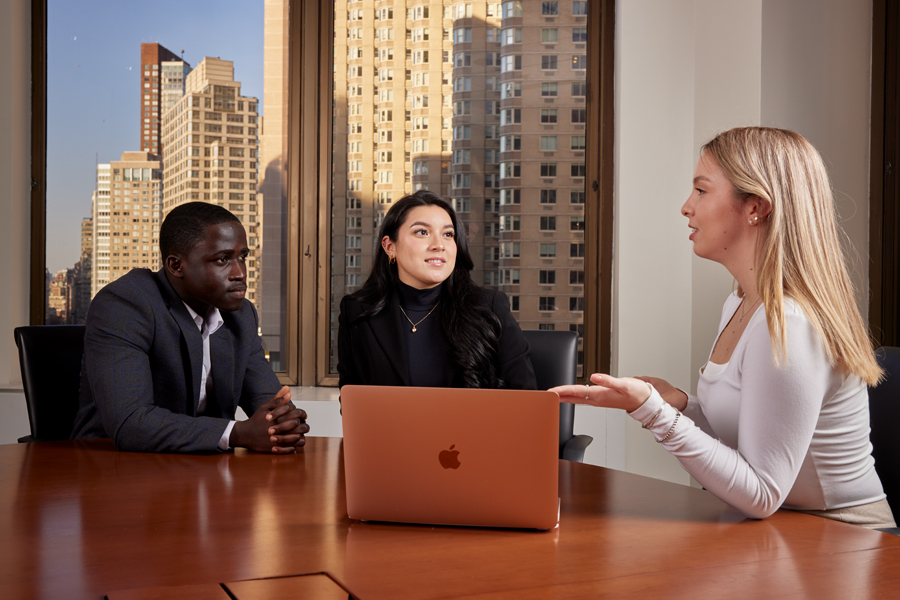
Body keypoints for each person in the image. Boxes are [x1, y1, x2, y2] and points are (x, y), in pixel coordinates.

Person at [553, 127, 895, 528]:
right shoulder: (740, 301)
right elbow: (747, 438)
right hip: (782, 528)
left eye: (701, 191)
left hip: (844, 541)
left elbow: (762, 493)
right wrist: (678, 404)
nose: (686, 207)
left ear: (756, 207)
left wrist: (651, 411)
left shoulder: (788, 325)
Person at [72, 202, 309, 454]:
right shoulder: (125, 305)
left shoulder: (241, 315)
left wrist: (284, 425)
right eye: (222, 259)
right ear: (176, 266)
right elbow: (131, 422)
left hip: (202, 470)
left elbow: (273, 408)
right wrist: (237, 433)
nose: (240, 272)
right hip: (112, 468)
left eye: (242, 257)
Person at [338, 190, 536, 390]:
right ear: (390, 247)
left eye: (448, 234)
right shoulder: (356, 311)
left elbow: (525, 398)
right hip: (390, 423)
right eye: (422, 232)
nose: (439, 245)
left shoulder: (490, 307)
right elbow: (352, 402)